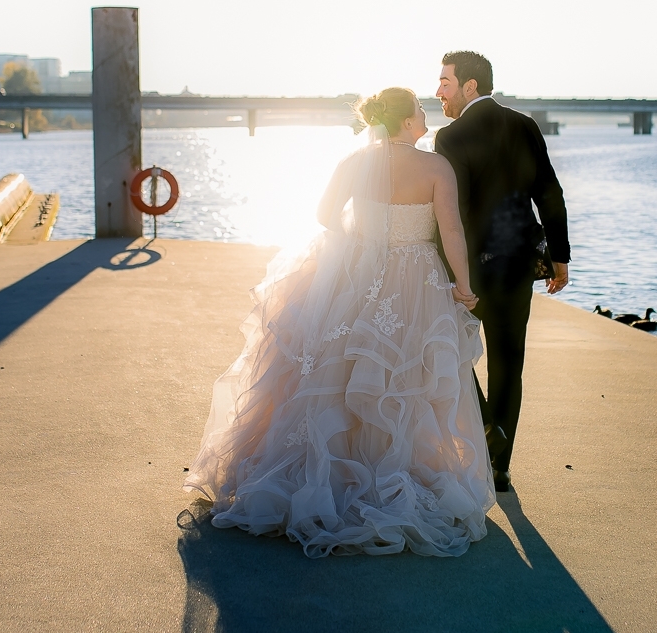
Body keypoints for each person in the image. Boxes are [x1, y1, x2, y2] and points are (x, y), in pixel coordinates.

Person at [185, 88, 495, 557]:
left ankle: (334, 473)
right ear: (407, 121)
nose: (425, 116)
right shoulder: (435, 167)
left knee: (339, 368)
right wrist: (464, 286)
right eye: (420, 110)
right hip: (415, 280)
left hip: (358, 272)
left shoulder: (354, 162)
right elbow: (451, 230)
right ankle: (394, 469)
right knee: (404, 373)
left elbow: (325, 215)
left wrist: (364, 242)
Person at [433, 51, 570, 494]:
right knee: (510, 364)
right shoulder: (524, 125)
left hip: (473, 271)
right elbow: (549, 192)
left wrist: (455, 275)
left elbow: (455, 213)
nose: (439, 92)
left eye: (446, 83)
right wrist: (560, 255)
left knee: (452, 353)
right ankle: (499, 466)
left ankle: (488, 427)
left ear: (470, 86)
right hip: (519, 266)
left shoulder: (451, 137)